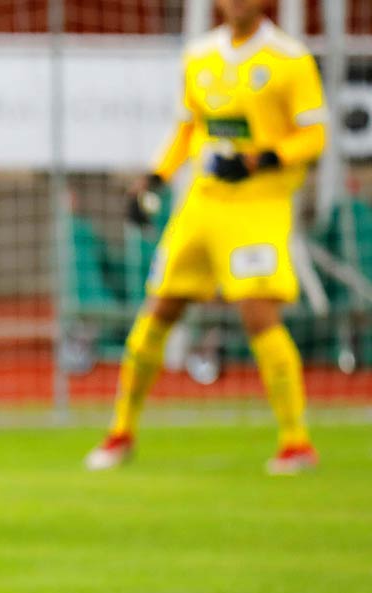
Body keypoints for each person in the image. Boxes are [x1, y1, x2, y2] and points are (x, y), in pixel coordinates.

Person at [87, 0, 328, 474]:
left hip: (257, 205)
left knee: (259, 314)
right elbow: (187, 128)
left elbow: (314, 136)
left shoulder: (289, 58)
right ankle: (120, 431)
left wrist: (260, 160)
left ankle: (296, 441)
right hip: (201, 203)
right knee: (159, 308)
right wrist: (154, 178)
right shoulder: (199, 56)